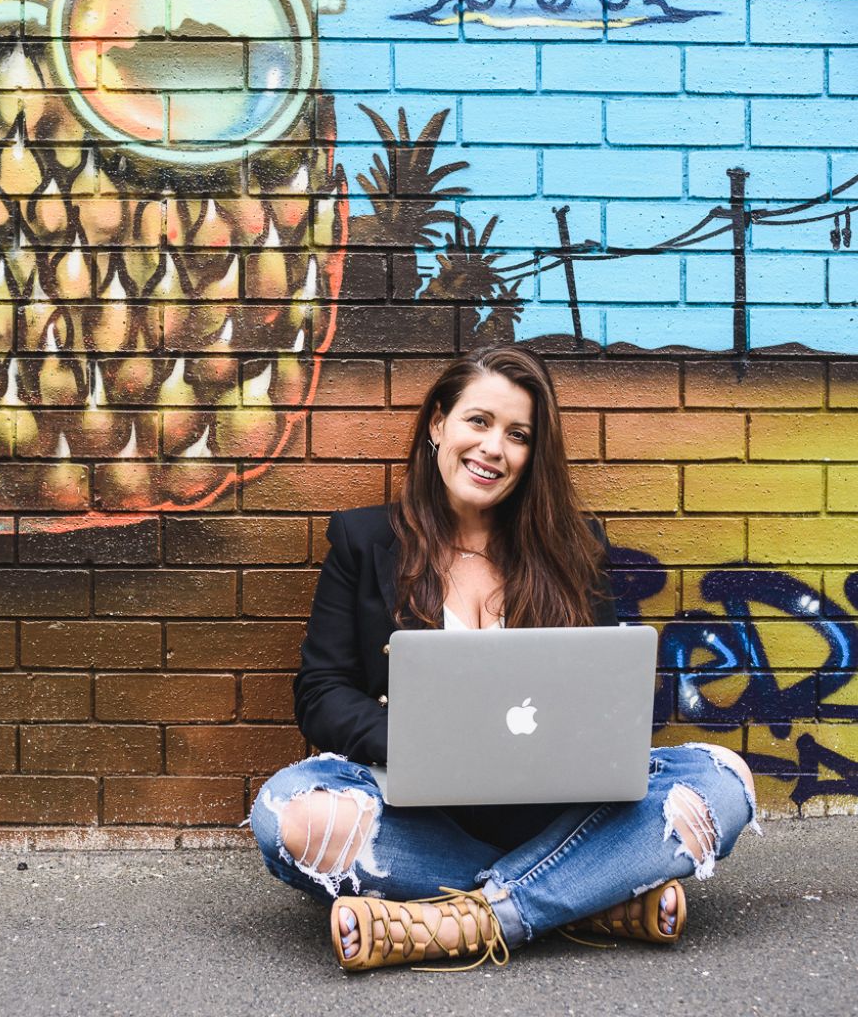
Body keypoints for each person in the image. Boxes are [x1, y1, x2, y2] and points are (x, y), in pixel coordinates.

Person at [249, 345, 760, 972]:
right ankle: (589, 897)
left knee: (723, 780)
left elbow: (601, 692)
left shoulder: (574, 546)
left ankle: (459, 923)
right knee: (286, 812)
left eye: (518, 435)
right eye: (479, 422)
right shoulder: (364, 540)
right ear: (439, 424)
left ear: (532, 455)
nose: (494, 448)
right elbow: (322, 692)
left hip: (554, 807)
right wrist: (420, 745)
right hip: (418, 809)